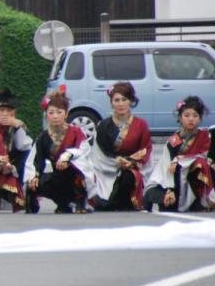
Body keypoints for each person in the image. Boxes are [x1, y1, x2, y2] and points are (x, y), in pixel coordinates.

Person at [24, 91, 94, 214]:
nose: (55, 116)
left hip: (74, 174)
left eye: (59, 112)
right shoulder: (43, 137)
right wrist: (34, 176)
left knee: (77, 174)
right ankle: (61, 203)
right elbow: (35, 160)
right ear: (46, 115)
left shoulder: (76, 132)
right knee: (34, 183)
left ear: (66, 114)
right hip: (57, 175)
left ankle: (79, 202)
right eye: (51, 113)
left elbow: (83, 151)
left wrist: (68, 156)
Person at [92, 81, 153, 211]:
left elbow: (145, 150)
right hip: (108, 168)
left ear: (131, 101)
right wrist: (116, 161)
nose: (120, 104)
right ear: (111, 103)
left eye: (124, 99)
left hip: (132, 167)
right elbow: (99, 154)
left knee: (128, 176)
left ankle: (122, 201)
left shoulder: (141, 125)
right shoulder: (103, 126)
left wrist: (131, 162)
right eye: (116, 100)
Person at [145, 96, 212, 213]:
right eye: (187, 115)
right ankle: (168, 196)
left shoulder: (206, 137)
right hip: (174, 181)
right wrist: (169, 189)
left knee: (200, 165)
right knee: (154, 191)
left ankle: (198, 202)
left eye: (195, 115)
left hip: (195, 180)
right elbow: (166, 166)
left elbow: (206, 157)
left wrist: (182, 159)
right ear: (180, 118)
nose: (191, 119)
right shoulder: (173, 141)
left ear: (200, 118)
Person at [0, 89, 34, 182]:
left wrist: (18, 126)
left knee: (27, 154)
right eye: (1, 110)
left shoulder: (16, 124)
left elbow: (24, 146)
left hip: (10, 161)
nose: (5, 114)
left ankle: (20, 186)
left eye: (8, 110)